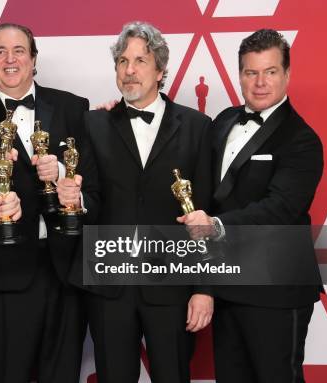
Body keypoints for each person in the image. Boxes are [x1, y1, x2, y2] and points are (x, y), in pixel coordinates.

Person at [0, 23, 98, 383]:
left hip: (65, 273)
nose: (10, 59)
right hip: (1, 275)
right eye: (0, 51)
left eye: (19, 51)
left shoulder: (74, 108)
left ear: (33, 60)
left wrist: (62, 172)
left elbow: (95, 183)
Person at [66, 21, 213, 383]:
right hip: (108, 286)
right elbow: (91, 197)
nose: (129, 70)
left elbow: (208, 211)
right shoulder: (92, 123)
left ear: (160, 70)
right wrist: (76, 198)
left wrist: (205, 289)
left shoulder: (198, 127)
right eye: (122, 61)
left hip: (173, 285)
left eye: (140, 61)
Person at [178, 29, 323, 383]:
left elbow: (280, 209)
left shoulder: (302, 140)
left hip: (277, 289)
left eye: (270, 72)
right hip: (228, 285)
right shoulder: (224, 121)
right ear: (239, 73)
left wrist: (217, 226)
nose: (260, 83)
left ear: (287, 74)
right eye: (250, 72)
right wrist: (118, 111)